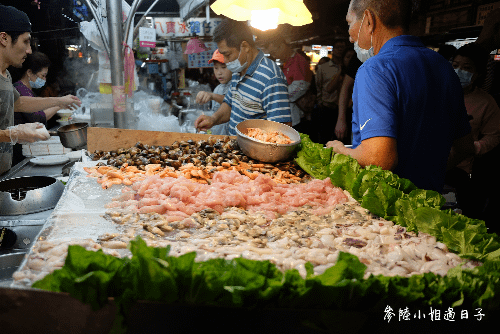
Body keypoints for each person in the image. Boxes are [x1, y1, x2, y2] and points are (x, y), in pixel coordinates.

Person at [326, 0, 473, 193]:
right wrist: (426, 174)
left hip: (385, 210)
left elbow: (378, 158)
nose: (350, 37)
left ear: (369, 20)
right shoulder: (443, 66)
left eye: (349, 23)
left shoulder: (375, 69)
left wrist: (341, 150)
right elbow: (464, 146)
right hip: (428, 203)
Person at [0, 5, 81, 174]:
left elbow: (19, 102)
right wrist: (12, 135)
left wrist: (59, 101)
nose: (29, 50)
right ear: (4, 38)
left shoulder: (5, 75)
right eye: (25, 41)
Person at [194, 18, 292, 135]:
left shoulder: (271, 78)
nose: (225, 60)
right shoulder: (238, 69)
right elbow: (230, 104)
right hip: (235, 148)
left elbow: (281, 133)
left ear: (245, 46)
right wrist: (213, 119)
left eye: (228, 54)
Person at [445, 43, 500, 218]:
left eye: (467, 68)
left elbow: (493, 135)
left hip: (457, 171)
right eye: (455, 66)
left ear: (478, 74)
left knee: (448, 212)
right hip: (428, 163)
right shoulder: (439, 92)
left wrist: (474, 147)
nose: (459, 71)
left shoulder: (486, 103)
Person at [11, 52, 62, 165]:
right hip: (19, 150)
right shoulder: (20, 90)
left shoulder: (28, 90)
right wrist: (60, 104)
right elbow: (38, 117)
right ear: (29, 72)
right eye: (42, 75)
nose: (44, 79)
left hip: (27, 147)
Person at [264, 35, 313, 132]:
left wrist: (277, 94)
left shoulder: (298, 61)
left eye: (274, 52)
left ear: (282, 46)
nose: (274, 56)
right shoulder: (287, 62)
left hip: (297, 116)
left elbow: (300, 87)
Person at [314, 39, 347, 143]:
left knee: (341, 139)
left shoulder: (348, 68)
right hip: (326, 107)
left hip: (344, 108)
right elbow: (318, 86)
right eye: (338, 48)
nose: (340, 50)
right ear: (333, 50)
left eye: (343, 48)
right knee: (325, 138)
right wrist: (320, 102)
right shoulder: (324, 68)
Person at [195, 49, 232, 135]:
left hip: (230, 135)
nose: (219, 73)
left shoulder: (236, 84)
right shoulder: (218, 88)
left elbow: (231, 102)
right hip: (218, 135)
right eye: (216, 68)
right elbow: (213, 113)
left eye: (223, 67)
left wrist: (212, 96)